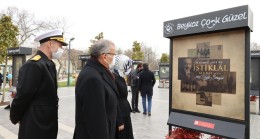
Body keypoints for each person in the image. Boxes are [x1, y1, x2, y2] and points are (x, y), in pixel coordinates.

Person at [10, 29, 68, 139]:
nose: (62, 49)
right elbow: (23, 96)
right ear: (50, 44)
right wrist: (15, 117)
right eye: (60, 46)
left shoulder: (48, 64)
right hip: (35, 126)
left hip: (47, 125)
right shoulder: (34, 65)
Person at [73, 39, 120, 139]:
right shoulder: (92, 78)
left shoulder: (99, 71)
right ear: (104, 56)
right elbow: (95, 121)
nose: (114, 58)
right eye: (113, 55)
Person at [113, 54, 134, 139]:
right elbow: (115, 100)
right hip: (120, 115)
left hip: (125, 112)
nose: (129, 68)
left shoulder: (120, 76)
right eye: (127, 65)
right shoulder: (114, 78)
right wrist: (119, 121)